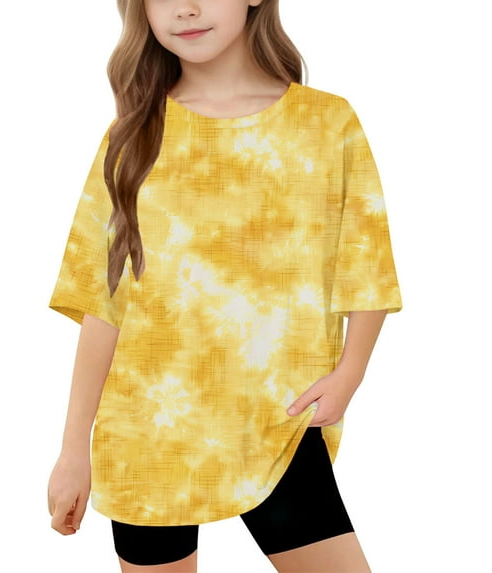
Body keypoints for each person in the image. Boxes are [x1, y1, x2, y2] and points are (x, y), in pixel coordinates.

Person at [47, 0, 402, 571]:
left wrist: (350, 374)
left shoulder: (326, 123)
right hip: (147, 432)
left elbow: (366, 263)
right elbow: (103, 304)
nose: (185, 9)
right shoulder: (133, 136)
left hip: (279, 418)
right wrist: (72, 453)